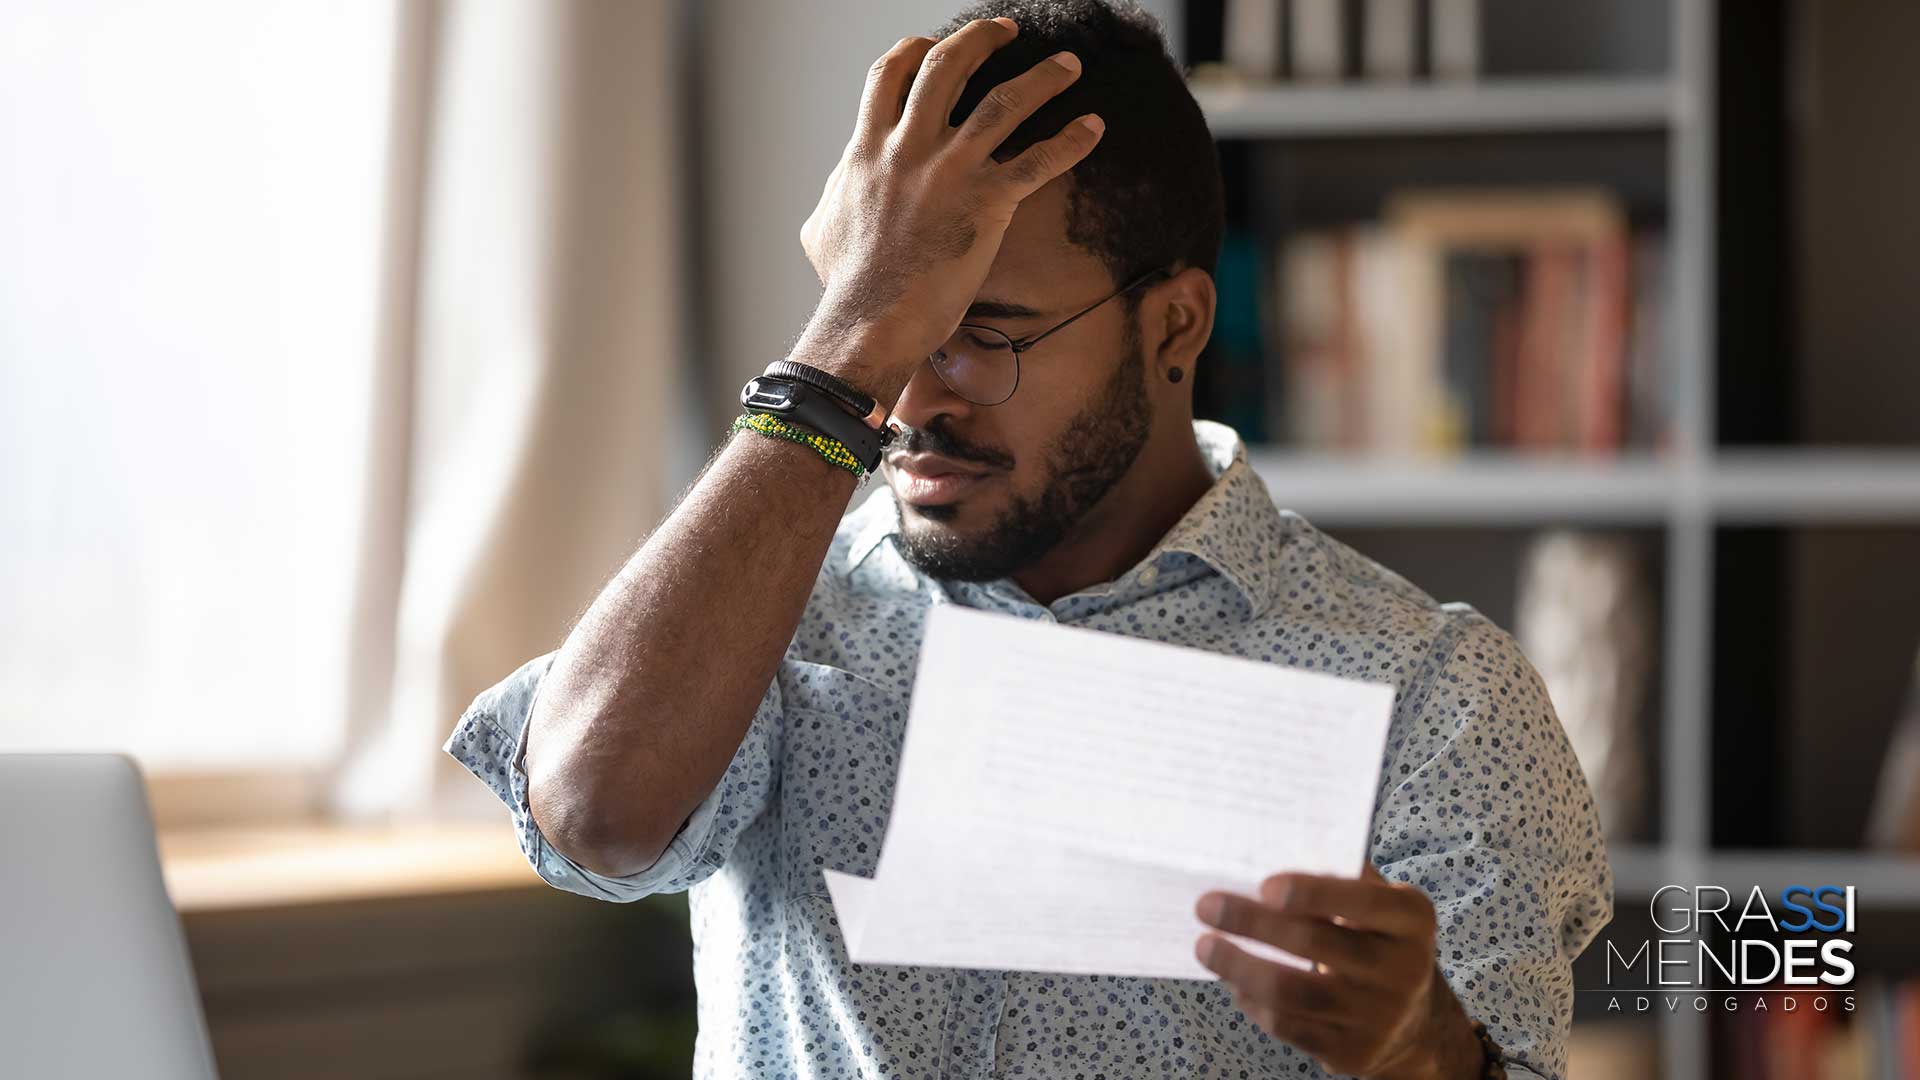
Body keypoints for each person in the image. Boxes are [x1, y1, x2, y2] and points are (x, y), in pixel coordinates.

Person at [445, 3, 1612, 1077]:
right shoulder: (767, 616)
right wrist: (850, 338)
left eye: (978, 335)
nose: (910, 403)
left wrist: (1423, 1048)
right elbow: (592, 817)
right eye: (891, 331)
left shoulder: (1435, 694)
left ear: (1175, 327)